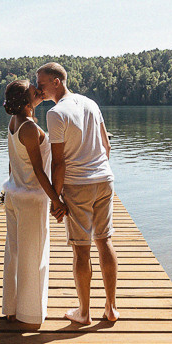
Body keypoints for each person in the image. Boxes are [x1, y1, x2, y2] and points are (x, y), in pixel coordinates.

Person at [34, 62, 118, 325]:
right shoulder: (91, 103)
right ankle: (111, 308)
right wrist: (98, 170)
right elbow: (106, 145)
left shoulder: (55, 113)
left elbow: (59, 163)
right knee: (104, 241)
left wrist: (56, 199)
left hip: (78, 185)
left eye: (41, 84)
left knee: (82, 250)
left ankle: (84, 313)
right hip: (104, 180)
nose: (38, 89)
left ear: (56, 82)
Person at [1, 79, 66, 328]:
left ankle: (12, 308)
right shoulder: (28, 127)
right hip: (30, 199)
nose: (38, 91)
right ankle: (30, 314)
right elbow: (39, 171)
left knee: (15, 253)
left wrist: (9, 186)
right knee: (34, 256)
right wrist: (57, 201)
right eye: (33, 91)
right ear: (26, 101)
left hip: (15, 195)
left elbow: (12, 161)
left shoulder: (14, 122)